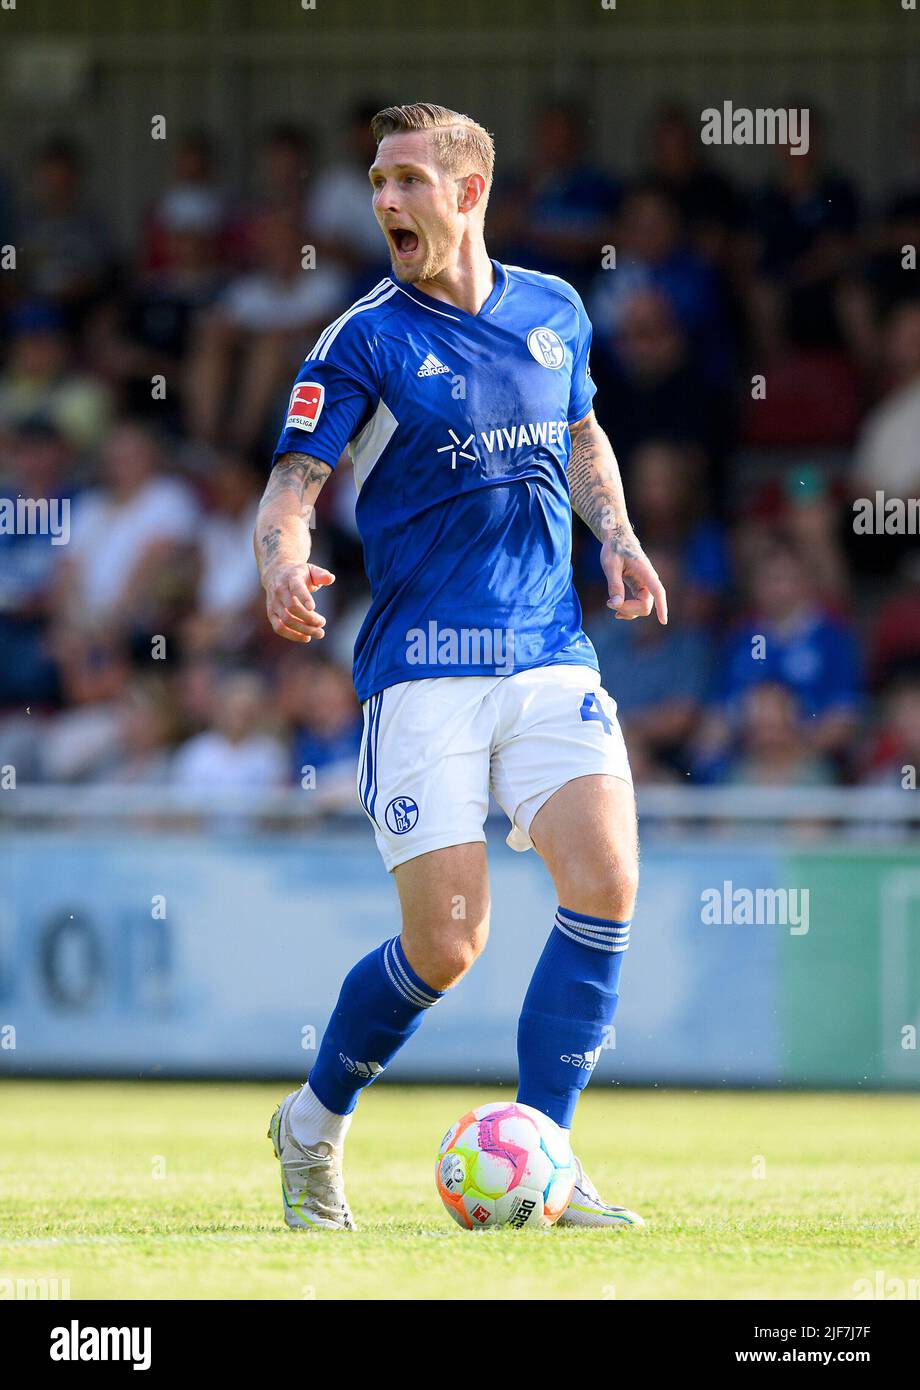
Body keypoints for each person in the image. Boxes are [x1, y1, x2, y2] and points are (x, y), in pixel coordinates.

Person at [253, 103, 667, 1233]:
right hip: (424, 669)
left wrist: (617, 537)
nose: (385, 202)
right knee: (447, 942)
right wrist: (284, 566)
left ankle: (550, 1151)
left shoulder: (555, 309)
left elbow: (581, 433)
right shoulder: (361, 339)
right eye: (376, 182)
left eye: (405, 182)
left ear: (467, 191)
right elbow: (291, 485)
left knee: (606, 882)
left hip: (547, 648)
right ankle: (312, 1123)